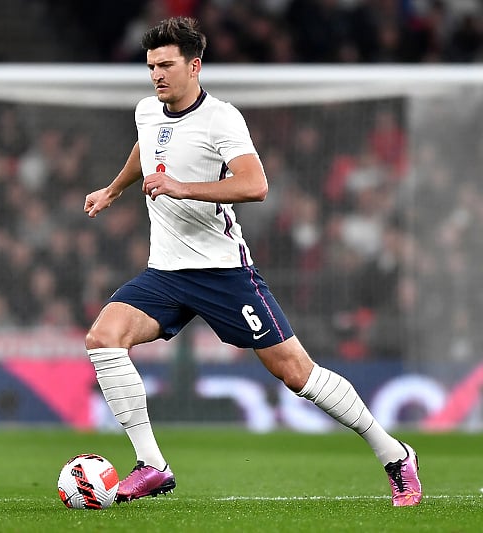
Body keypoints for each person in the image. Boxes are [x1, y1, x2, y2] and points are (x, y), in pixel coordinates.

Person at [83, 17, 422, 507]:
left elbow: (255, 184)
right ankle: (152, 465)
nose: (156, 74)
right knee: (103, 339)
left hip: (223, 273)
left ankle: (395, 455)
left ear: (194, 66)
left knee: (296, 373)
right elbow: (147, 145)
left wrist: (182, 187)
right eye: (151, 65)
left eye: (166, 65)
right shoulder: (147, 110)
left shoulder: (222, 119)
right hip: (165, 272)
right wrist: (114, 190)